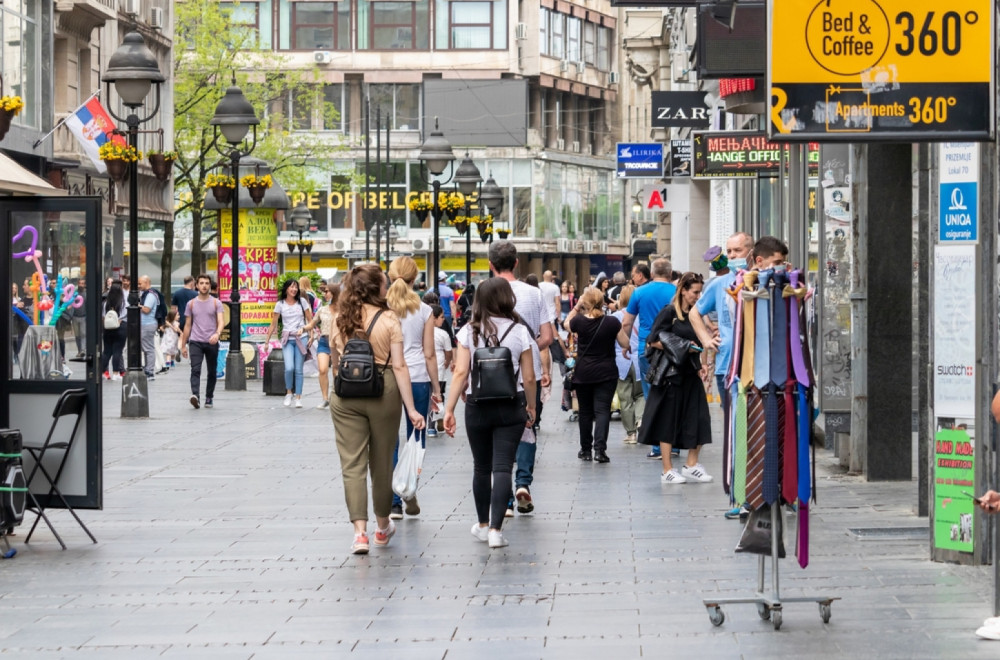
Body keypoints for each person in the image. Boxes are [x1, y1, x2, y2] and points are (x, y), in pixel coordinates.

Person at [329, 263, 425, 554]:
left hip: (347, 390)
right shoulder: (389, 319)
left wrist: (339, 383)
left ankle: (360, 533)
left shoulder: (339, 318)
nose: (387, 287)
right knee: (382, 462)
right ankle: (382, 527)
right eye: (384, 283)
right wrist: (411, 408)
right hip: (384, 388)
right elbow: (399, 365)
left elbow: (335, 360)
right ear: (375, 288)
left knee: (352, 465)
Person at [443, 277, 537, 549]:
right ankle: (497, 530)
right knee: (503, 466)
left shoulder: (468, 332)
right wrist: (530, 406)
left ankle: (482, 525)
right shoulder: (520, 332)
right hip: (512, 404)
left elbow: (461, 372)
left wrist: (449, 409)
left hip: (477, 405)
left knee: (481, 467)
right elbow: (529, 377)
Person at [689, 232, 755, 517]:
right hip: (729, 367)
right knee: (737, 432)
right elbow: (694, 312)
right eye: (729, 250)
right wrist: (705, 339)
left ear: (751, 252)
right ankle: (741, 495)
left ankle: (773, 490)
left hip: (759, 367)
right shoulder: (719, 284)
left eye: (737, 249)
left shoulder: (761, 281)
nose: (732, 255)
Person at [489, 241, 553, 516]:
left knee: (497, 434)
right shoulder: (534, 293)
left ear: (491, 265)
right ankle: (522, 483)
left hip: (493, 374)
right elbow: (548, 337)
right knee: (528, 426)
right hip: (530, 374)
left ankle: (502, 501)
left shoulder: (484, 292)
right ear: (517, 263)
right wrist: (524, 351)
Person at [639, 272, 713, 484]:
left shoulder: (696, 314)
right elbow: (653, 340)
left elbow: (701, 339)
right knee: (667, 420)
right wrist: (681, 347)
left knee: (699, 418)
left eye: (700, 292)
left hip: (691, 372)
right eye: (695, 292)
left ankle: (691, 464)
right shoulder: (669, 312)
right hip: (670, 374)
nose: (698, 296)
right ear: (683, 290)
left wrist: (703, 362)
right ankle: (667, 470)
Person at [386, 256, 440, 520]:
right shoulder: (424, 310)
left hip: (389, 377)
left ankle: (394, 501)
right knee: (416, 439)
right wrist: (438, 388)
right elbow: (430, 354)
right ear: (414, 278)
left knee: (391, 441)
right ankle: (410, 488)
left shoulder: (383, 306)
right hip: (418, 377)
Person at [617, 258, 677, 459]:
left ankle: (659, 447)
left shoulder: (639, 292)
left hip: (647, 349)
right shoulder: (676, 292)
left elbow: (626, 323)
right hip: (673, 350)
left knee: (652, 395)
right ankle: (674, 445)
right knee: (673, 395)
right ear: (670, 274)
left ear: (651, 274)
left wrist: (626, 345)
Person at [563, 287, 621, 463]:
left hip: (584, 372)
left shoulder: (579, 321)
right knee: (603, 411)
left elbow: (566, 324)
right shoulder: (611, 322)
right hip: (607, 371)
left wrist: (576, 306)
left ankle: (586, 450)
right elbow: (624, 343)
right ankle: (600, 451)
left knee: (585, 412)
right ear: (603, 302)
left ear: (585, 302)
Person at [264, 278, 314, 408]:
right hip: (287, 339)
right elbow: (273, 323)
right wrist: (267, 340)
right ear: (286, 289)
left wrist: (311, 335)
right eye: (291, 287)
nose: (294, 289)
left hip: (301, 338)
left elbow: (310, 320)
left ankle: (298, 397)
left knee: (298, 370)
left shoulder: (302, 302)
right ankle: (288, 393)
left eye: (296, 287)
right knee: (289, 368)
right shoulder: (280, 304)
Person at [178, 275, 225, 409]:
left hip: (212, 341)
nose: (204, 285)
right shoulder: (191, 303)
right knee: (195, 369)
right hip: (196, 341)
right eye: (201, 283)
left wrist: (217, 334)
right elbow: (187, 325)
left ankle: (209, 397)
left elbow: (221, 321)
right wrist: (183, 345)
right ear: (196, 285)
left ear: (210, 286)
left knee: (211, 371)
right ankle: (196, 396)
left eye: (207, 283)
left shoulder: (216, 303)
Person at [612, 285, 644, 444]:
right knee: (641, 394)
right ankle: (640, 418)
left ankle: (631, 433)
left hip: (621, 361)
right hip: (639, 359)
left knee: (625, 398)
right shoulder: (642, 315)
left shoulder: (616, 316)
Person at [301, 279, 340, 410]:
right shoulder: (322, 310)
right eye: (324, 292)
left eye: (327, 291)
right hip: (324, 340)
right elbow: (312, 323)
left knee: (337, 371)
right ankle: (325, 398)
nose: (324, 294)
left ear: (334, 293)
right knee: (322, 370)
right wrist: (303, 329)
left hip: (338, 342)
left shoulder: (344, 310)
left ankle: (336, 396)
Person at [430, 304, 453, 437]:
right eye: (441, 317)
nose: (443, 320)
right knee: (439, 396)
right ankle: (438, 422)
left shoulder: (422, 332)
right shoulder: (443, 334)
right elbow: (448, 352)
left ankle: (430, 426)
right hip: (439, 368)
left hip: (425, 370)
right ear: (434, 318)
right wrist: (448, 361)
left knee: (428, 398)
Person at [100, 281, 127, 381]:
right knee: (117, 351)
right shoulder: (123, 302)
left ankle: (102, 371)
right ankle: (116, 373)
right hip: (120, 328)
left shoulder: (105, 303)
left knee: (107, 351)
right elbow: (125, 315)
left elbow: (103, 316)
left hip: (107, 329)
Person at [138, 275, 159, 380]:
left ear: (146, 282)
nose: (138, 286)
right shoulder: (145, 294)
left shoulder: (150, 295)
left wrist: (137, 305)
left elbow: (146, 310)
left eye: (140, 283)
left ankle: (149, 371)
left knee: (148, 348)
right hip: (145, 324)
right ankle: (147, 369)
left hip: (148, 323)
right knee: (146, 348)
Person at [437, 271, 458, 339]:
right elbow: (452, 305)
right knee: (447, 336)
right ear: (445, 279)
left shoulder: (432, 290)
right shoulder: (449, 291)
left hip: (435, 316)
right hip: (447, 316)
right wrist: (454, 319)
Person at [70, 278, 87, 358]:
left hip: (83, 317)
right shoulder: (75, 294)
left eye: (83, 283)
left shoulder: (86, 294)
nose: (81, 285)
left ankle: (83, 350)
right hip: (75, 317)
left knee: (83, 334)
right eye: (80, 283)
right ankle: (79, 351)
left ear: (85, 285)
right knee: (77, 336)